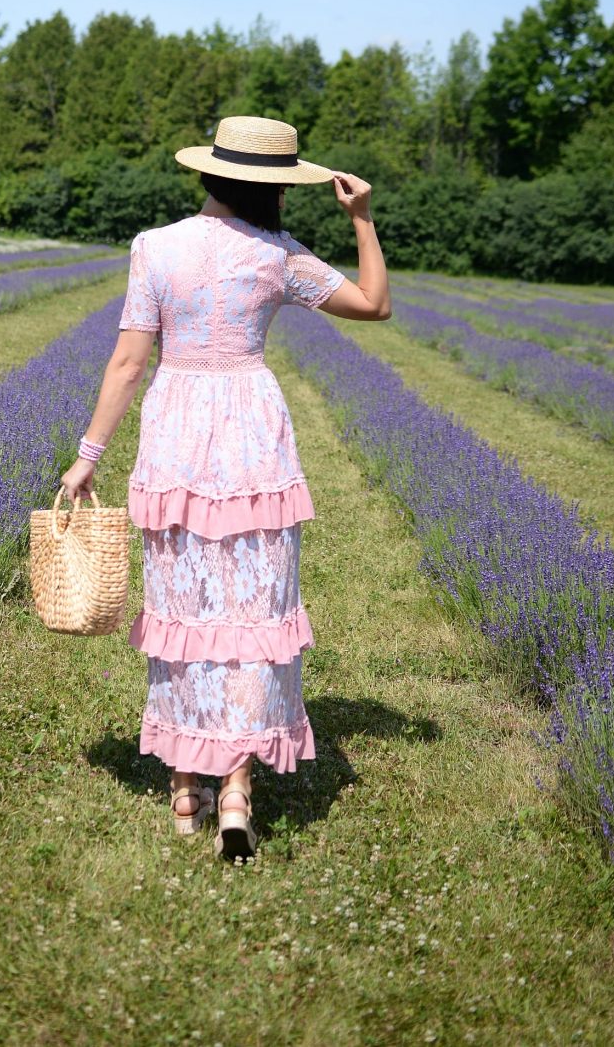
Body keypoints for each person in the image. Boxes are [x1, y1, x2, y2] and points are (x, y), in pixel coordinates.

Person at [61, 115, 390, 860]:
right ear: (276, 186)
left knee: (182, 605)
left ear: (208, 172)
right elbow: (374, 305)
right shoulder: (279, 255)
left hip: (176, 426)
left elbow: (126, 364)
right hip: (251, 429)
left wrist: (88, 455)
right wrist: (362, 221)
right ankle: (237, 790)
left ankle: (186, 788)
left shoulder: (155, 248)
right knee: (251, 608)